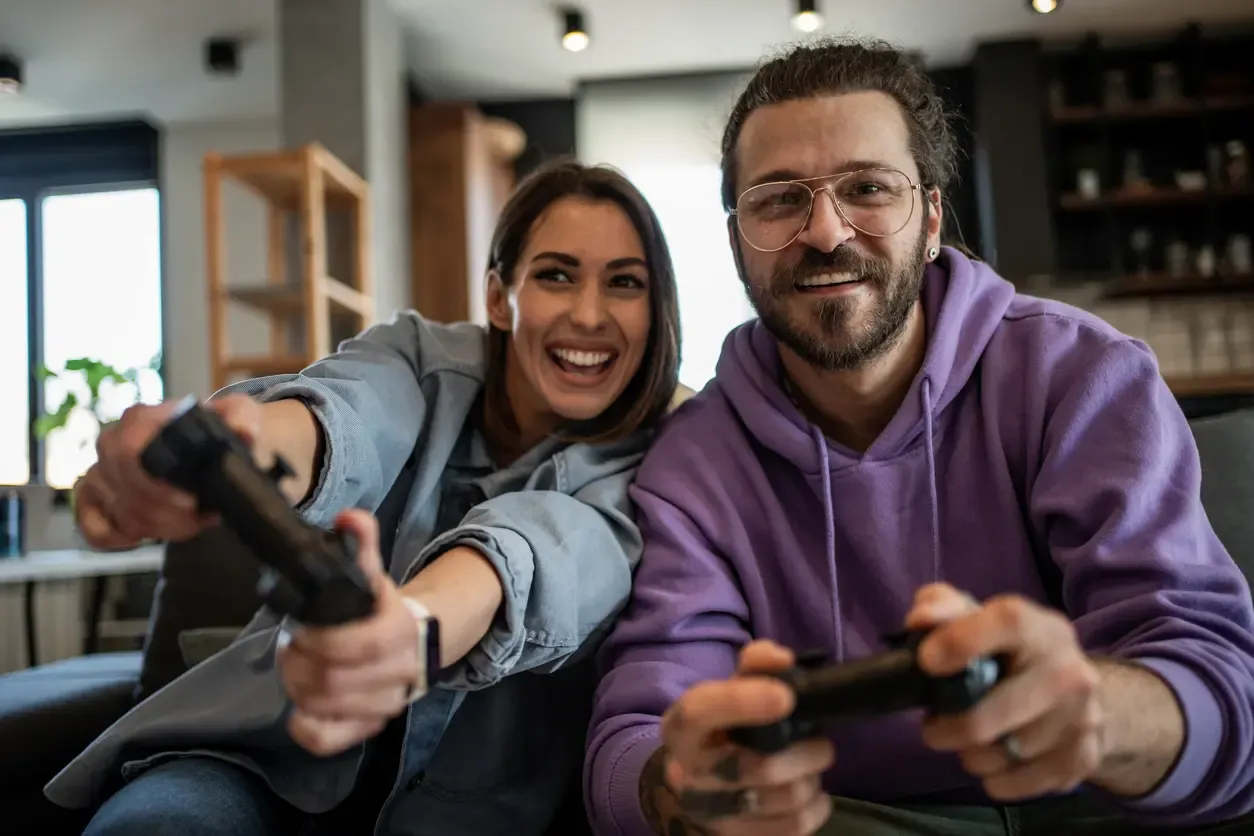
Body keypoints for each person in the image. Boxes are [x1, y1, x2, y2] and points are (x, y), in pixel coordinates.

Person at [584, 37, 1254, 836]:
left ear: (931, 217)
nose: (825, 232)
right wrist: (684, 789)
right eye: (780, 199)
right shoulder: (692, 465)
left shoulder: (1080, 376)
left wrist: (1100, 714)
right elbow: (633, 733)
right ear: (736, 244)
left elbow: (1224, 689)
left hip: (1091, 807)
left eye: (867, 187)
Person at [45, 159, 682, 836]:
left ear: (656, 310)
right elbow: (347, 414)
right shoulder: (417, 359)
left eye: (624, 283)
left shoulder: (649, 468)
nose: (588, 314)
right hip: (255, 760)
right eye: (556, 275)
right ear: (499, 297)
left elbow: (535, 550)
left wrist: (411, 630)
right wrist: (239, 450)